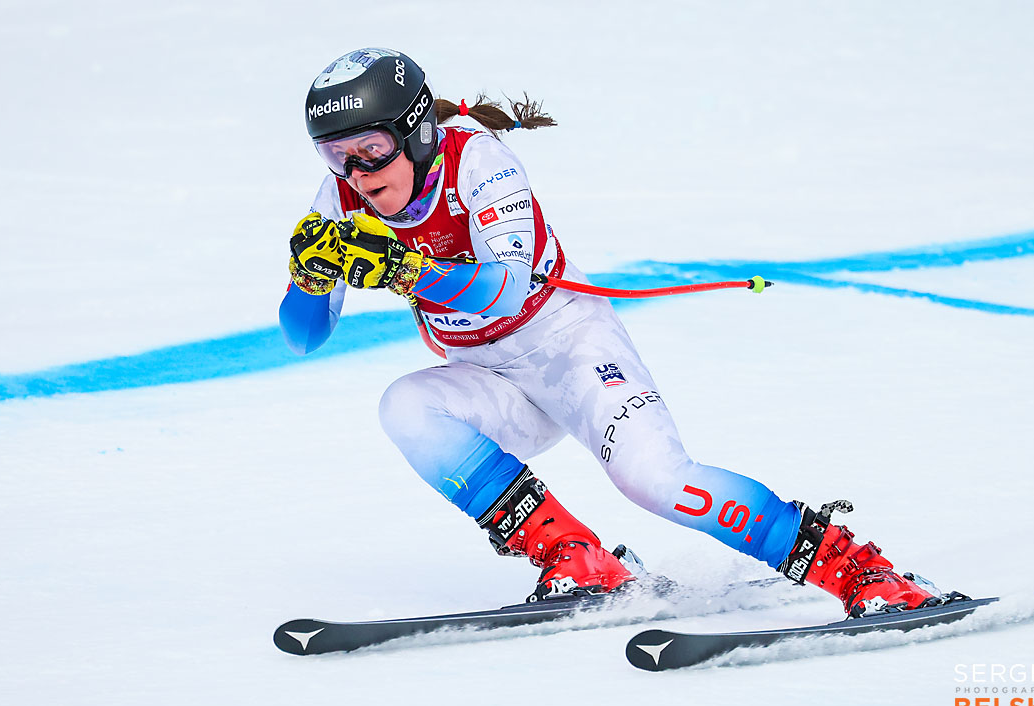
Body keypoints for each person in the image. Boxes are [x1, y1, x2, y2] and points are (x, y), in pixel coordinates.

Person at [279, 47, 939, 615]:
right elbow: (303, 338)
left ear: (418, 131)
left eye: (371, 151)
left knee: (657, 481)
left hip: (569, 349)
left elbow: (503, 288)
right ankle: (577, 557)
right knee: (405, 406)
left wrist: (408, 267)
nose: (358, 177)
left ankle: (856, 569)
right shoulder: (338, 197)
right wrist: (310, 280)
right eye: (337, 156)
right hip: (488, 378)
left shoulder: (479, 160)